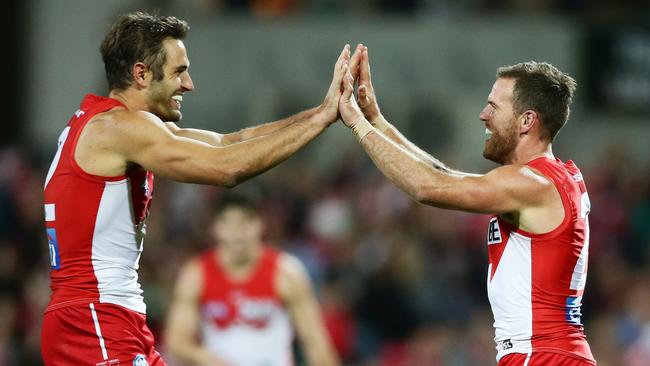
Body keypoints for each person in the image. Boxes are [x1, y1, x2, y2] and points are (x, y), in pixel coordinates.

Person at [41, 11, 350, 366]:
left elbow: (226, 143)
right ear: (141, 74)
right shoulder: (118, 128)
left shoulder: (111, 124)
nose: (188, 84)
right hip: (93, 320)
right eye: (178, 71)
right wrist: (322, 120)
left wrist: (322, 113)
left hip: (108, 319)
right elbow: (227, 167)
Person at [338, 44, 596, 366]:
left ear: (526, 120)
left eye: (493, 106)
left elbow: (426, 186)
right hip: (550, 354)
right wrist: (376, 120)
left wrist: (357, 126)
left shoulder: (531, 184)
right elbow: (443, 175)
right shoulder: (549, 178)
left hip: (541, 356)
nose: (483, 115)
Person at [164, 193, 339, 366]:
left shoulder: (285, 273)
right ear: (216, 228)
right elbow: (176, 342)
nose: (237, 232)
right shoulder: (196, 275)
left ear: (259, 224)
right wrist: (205, 358)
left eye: (245, 222)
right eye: (228, 223)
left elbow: (315, 342)